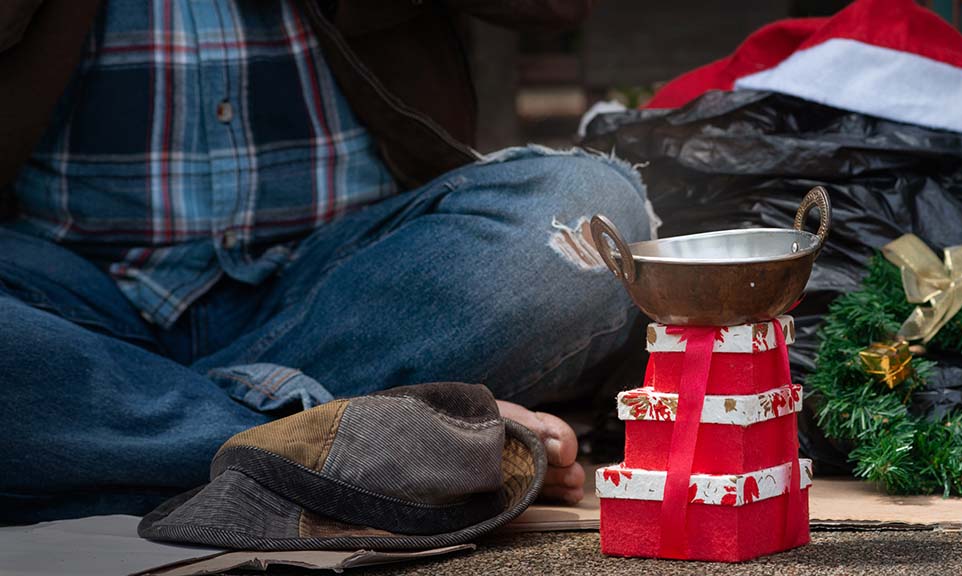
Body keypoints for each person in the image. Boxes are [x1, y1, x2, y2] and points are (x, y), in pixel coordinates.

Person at [0, 0, 651, 523]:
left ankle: (144, 440)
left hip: (349, 290)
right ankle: (373, 447)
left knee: (590, 212)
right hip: (66, 293)